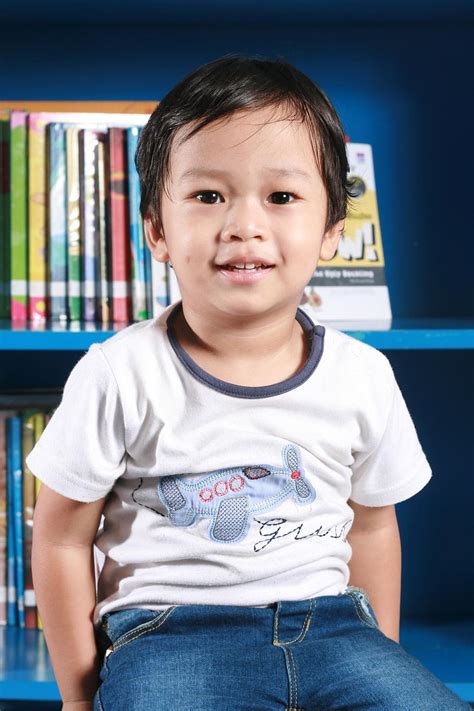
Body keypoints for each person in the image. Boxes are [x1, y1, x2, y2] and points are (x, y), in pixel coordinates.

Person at [28, 54, 470, 711]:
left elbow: (374, 528)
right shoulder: (118, 371)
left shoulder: (362, 374)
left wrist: (383, 657)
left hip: (337, 626)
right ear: (157, 230)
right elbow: (62, 537)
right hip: (172, 634)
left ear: (330, 232)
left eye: (282, 197)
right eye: (208, 196)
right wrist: (77, 694)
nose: (243, 224)